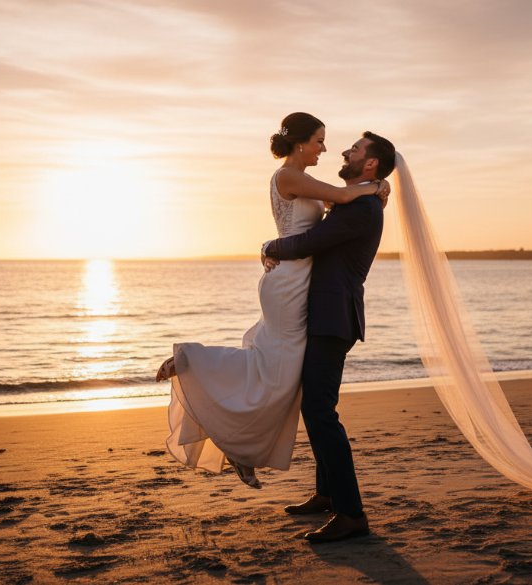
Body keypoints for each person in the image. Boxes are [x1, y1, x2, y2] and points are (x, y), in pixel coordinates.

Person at [155, 113, 389, 492]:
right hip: (290, 281)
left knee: (279, 369)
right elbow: (344, 197)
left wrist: (374, 190)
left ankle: (242, 445)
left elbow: (336, 216)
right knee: (277, 370)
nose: (325, 148)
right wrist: (377, 185)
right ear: (300, 143)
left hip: (293, 279)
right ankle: (192, 364)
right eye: (319, 141)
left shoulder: (304, 180)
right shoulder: (289, 176)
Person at [261, 130, 396, 543]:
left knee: (321, 412)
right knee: (317, 406)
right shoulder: (355, 198)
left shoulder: (364, 208)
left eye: (355, 149)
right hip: (324, 315)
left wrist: (271, 244)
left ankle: (351, 513)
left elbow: (312, 242)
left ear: (370, 163)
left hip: (333, 319)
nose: (344, 150)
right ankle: (325, 493)